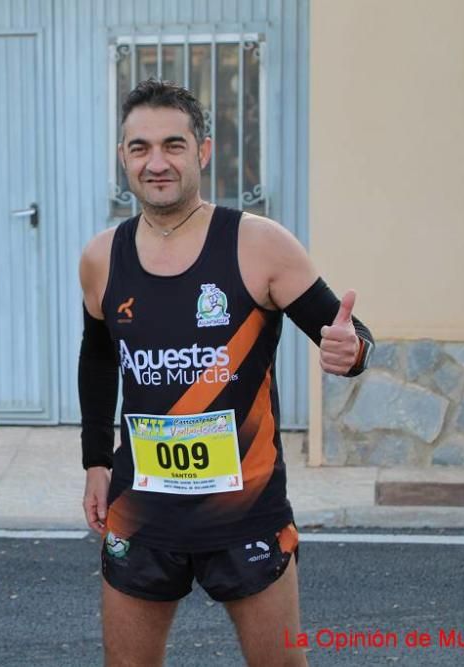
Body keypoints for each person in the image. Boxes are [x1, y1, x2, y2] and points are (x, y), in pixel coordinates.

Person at [78, 79, 373, 667]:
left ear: (202, 152)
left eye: (173, 145)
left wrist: (352, 349)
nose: (156, 163)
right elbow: (99, 357)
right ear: (123, 157)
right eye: (139, 148)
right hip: (142, 507)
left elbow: (346, 330)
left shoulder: (259, 244)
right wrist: (95, 461)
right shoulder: (100, 257)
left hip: (247, 509)